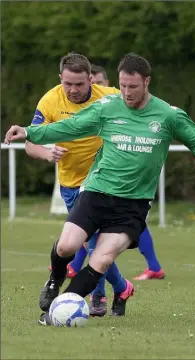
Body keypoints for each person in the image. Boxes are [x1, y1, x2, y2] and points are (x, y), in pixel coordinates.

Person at [5, 54, 195, 327]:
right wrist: (30, 133)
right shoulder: (107, 107)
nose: (126, 92)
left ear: (147, 82)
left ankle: (58, 311)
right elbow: (70, 126)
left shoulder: (168, 115)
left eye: (133, 87)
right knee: (67, 245)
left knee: (100, 261)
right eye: (123, 86)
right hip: (96, 192)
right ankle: (55, 280)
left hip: (133, 206)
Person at [24, 52, 133, 317]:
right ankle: (123, 287)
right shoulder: (50, 100)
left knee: (95, 244)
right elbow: (30, 143)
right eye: (68, 84)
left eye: (80, 84)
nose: (73, 90)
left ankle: (96, 297)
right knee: (86, 246)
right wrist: (47, 152)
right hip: (71, 184)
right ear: (60, 78)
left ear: (91, 81)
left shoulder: (109, 96)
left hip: (104, 183)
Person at [68, 64, 165, 281]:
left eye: (103, 82)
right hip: (77, 177)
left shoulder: (116, 100)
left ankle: (98, 293)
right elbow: (68, 127)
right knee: (83, 238)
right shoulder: (86, 105)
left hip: (106, 181)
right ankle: (111, 283)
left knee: (98, 242)